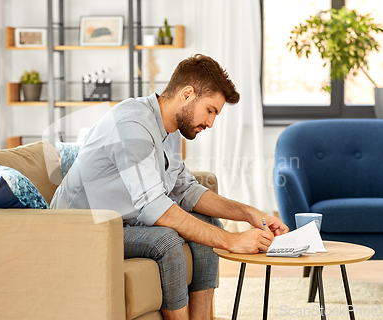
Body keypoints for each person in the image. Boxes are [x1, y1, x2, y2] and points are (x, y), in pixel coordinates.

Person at [51, 54, 289, 320]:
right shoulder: (132, 124)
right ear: (187, 94)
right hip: (80, 228)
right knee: (166, 240)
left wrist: (250, 214)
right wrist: (233, 241)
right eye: (210, 110)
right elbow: (156, 208)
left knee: (208, 221)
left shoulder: (170, 131)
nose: (210, 123)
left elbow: (186, 190)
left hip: (121, 223)